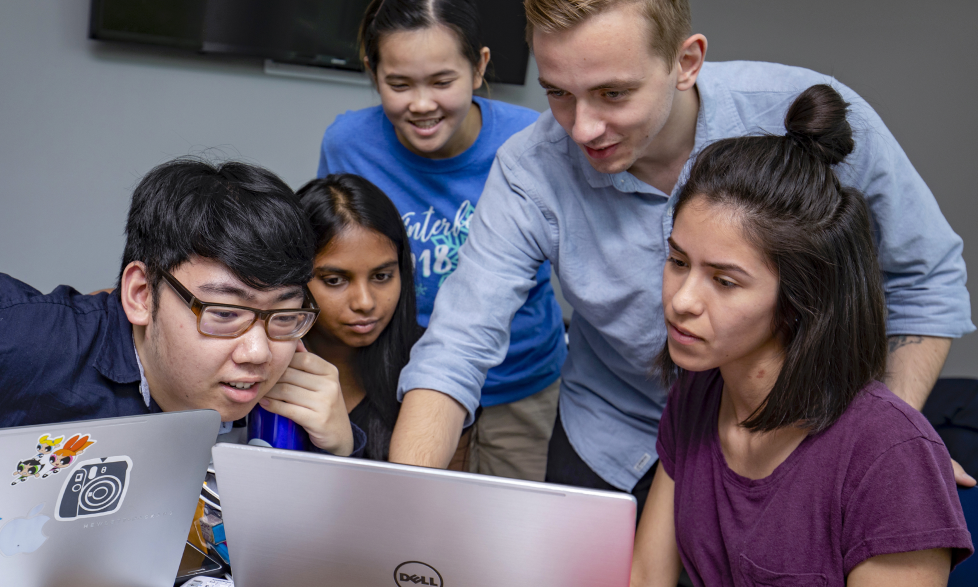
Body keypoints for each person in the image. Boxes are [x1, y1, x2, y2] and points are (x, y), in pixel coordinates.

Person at [390, 0, 975, 496]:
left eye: (613, 93)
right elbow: (458, 345)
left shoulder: (806, 114)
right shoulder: (531, 167)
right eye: (558, 94)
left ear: (685, 62)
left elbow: (925, 279)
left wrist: (888, 438)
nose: (582, 128)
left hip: (797, 439)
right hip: (613, 438)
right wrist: (399, 504)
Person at [630, 84, 972, 587]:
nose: (682, 300)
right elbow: (644, 584)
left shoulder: (890, 456)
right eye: (678, 261)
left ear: (799, 300)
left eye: (724, 281)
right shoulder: (698, 392)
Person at [0, 158, 362, 457]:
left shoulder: (282, 408)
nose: (258, 352)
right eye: (223, 314)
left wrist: (337, 456)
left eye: (284, 315)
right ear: (140, 294)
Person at [318, 0, 567, 480]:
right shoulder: (348, 143)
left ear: (479, 68)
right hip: (399, 379)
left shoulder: (532, 142)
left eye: (442, 81)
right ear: (372, 71)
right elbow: (333, 254)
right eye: (399, 84)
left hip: (519, 383)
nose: (422, 103)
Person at [296, 173, 424, 461]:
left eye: (382, 276)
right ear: (295, 277)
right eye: (334, 280)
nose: (365, 302)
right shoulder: (260, 361)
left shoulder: (432, 364)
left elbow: (441, 500)